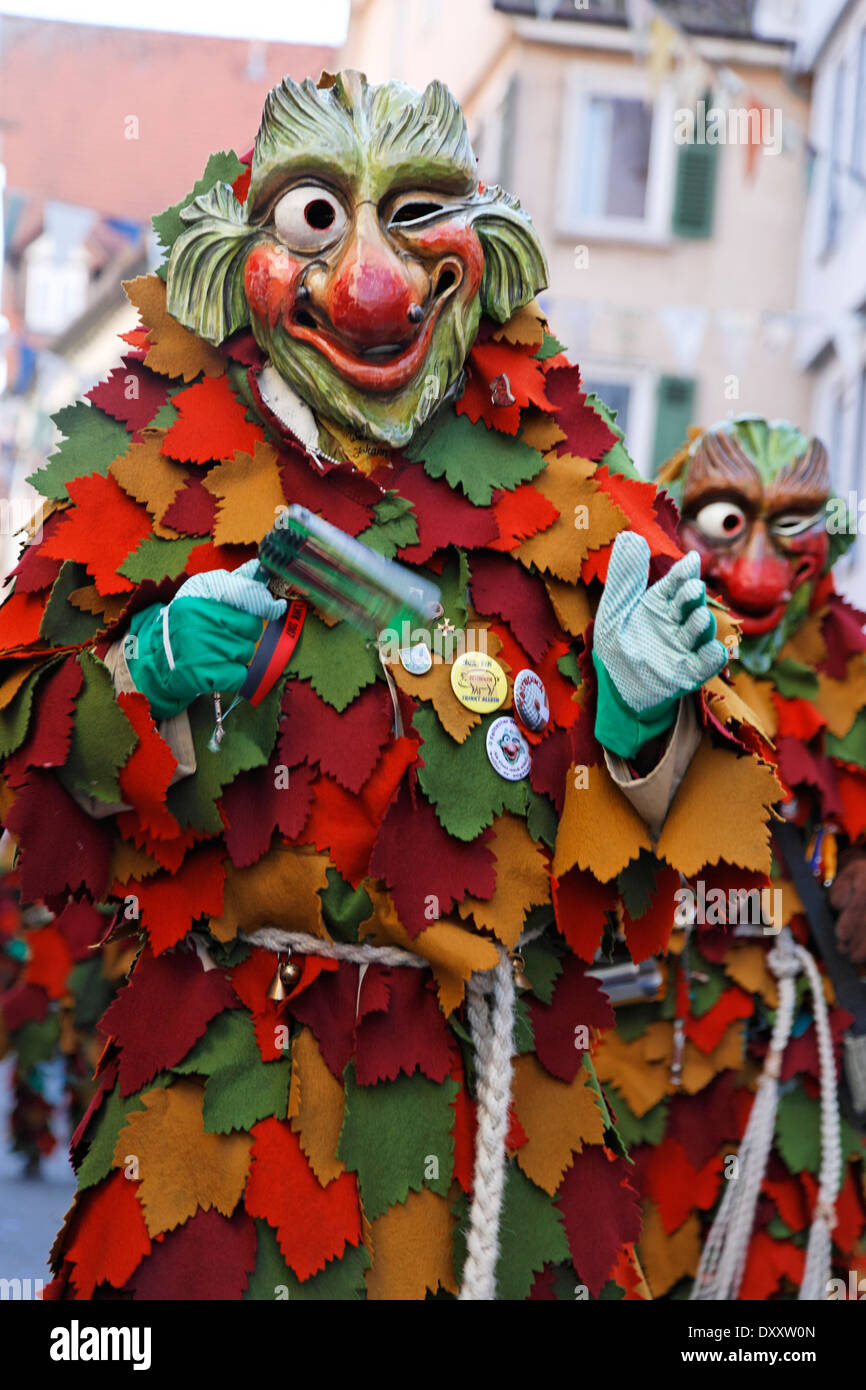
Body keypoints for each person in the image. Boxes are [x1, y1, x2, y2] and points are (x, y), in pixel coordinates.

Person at [0, 71, 778, 1300]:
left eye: (417, 216)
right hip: (220, 1103)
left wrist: (633, 732)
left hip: (492, 1111)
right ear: (240, 249)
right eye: (316, 218)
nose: (376, 281)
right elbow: (38, 777)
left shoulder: (568, 483)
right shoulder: (144, 465)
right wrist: (139, 671)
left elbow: (667, 875)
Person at [599, 416, 866, 1300]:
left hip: (796, 1096)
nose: (754, 572)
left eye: (793, 528)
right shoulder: (621, 639)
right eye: (724, 524)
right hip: (638, 1076)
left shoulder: (852, 672)